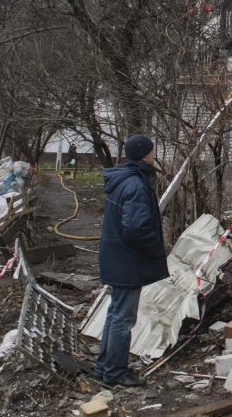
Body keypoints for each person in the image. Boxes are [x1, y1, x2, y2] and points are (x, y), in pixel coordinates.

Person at [95, 134, 169, 388]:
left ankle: (105, 367)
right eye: (152, 151)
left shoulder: (123, 179)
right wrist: (155, 250)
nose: (154, 154)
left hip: (117, 258)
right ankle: (115, 374)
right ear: (145, 155)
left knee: (116, 313)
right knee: (123, 318)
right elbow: (136, 229)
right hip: (126, 261)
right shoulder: (136, 185)